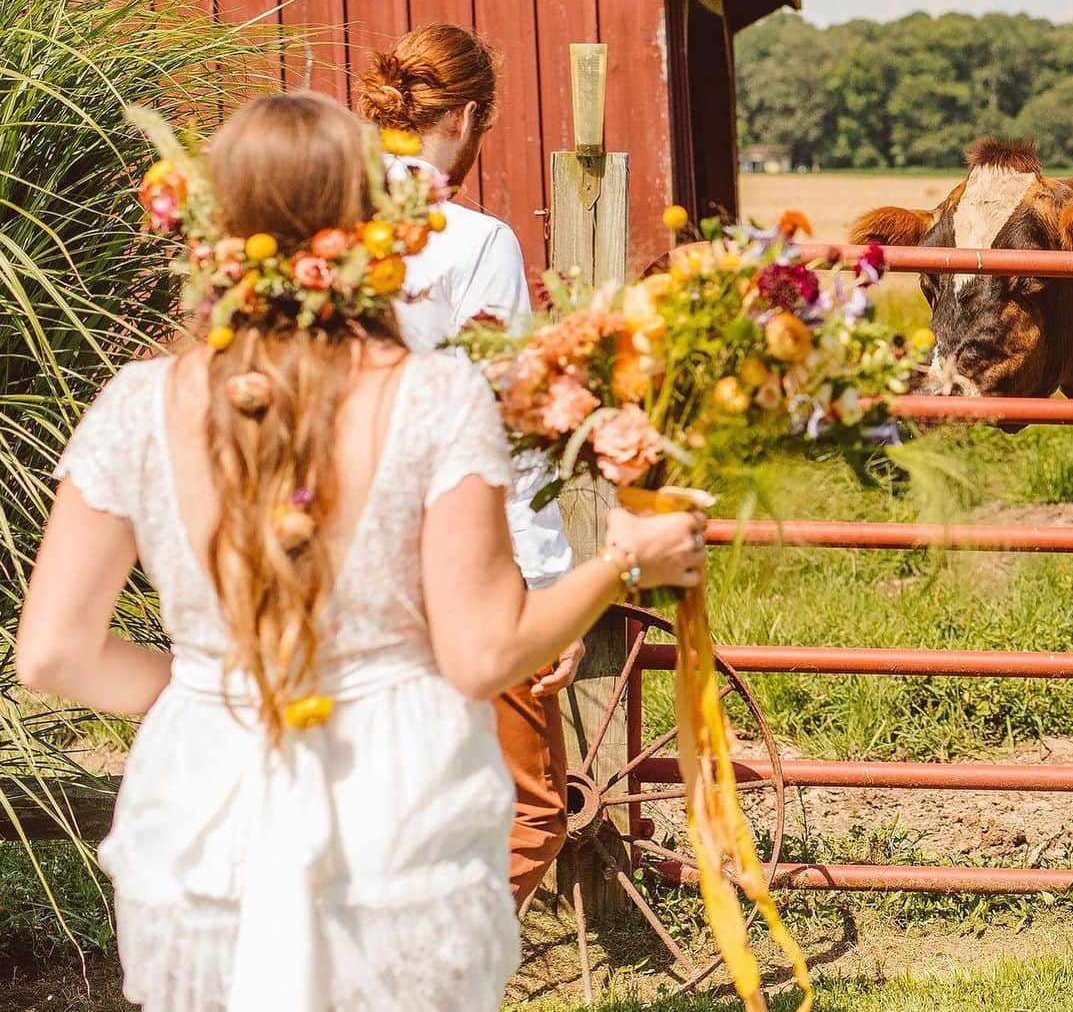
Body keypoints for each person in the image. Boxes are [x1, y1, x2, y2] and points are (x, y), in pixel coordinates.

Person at [17, 91, 706, 1012]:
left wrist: (204, 695)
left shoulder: (137, 408)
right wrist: (621, 560)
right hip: (395, 792)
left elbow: (53, 654)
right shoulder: (434, 398)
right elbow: (481, 655)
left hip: (208, 796)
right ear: (371, 227)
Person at [357, 25, 581, 910]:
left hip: (335, 552)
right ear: (470, 115)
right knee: (530, 812)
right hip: (456, 556)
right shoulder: (473, 238)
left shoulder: (313, 224)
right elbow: (506, 419)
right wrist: (548, 588)